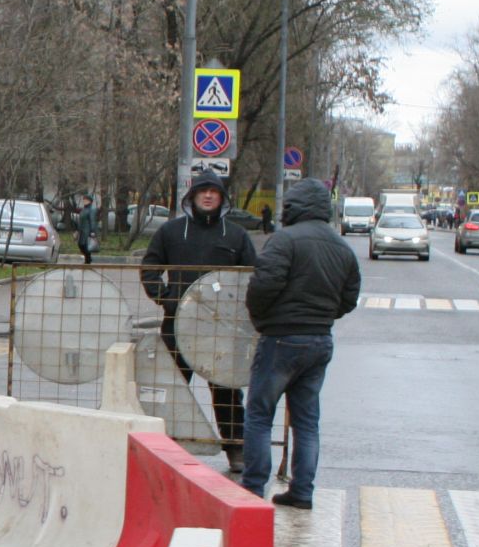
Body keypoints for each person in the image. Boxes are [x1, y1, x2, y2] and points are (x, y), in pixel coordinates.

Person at [239, 178, 360, 508]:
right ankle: (303, 491)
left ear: (295, 207)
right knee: (306, 421)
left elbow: (263, 286)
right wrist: (322, 316)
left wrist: (262, 319)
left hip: (281, 338)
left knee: (260, 414)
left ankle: (251, 490)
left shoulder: (285, 240)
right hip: (320, 339)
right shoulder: (341, 246)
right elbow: (349, 298)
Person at [141, 171, 258, 470]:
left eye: (214, 192)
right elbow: (150, 268)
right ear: (191, 196)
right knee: (173, 386)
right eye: (202, 191)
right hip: (178, 325)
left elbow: (253, 277)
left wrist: (241, 315)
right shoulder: (171, 232)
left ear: (222, 198)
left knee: (227, 391)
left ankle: (236, 449)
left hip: (222, 330)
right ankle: (162, 446)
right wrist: (166, 298)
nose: (208, 196)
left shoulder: (235, 235)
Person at [76, 193, 99, 265]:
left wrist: (92, 231)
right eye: (84, 200)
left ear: (90, 201)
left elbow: (93, 220)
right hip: (82, 231)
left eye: (86, 200)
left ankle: (88, 260)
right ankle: (88, 258)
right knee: (81, 245)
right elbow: (80, 220)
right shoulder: (83, 209)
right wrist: (77, 230)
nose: (84, 201)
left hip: (87, 231)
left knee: (86, 246)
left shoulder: (92, 209)